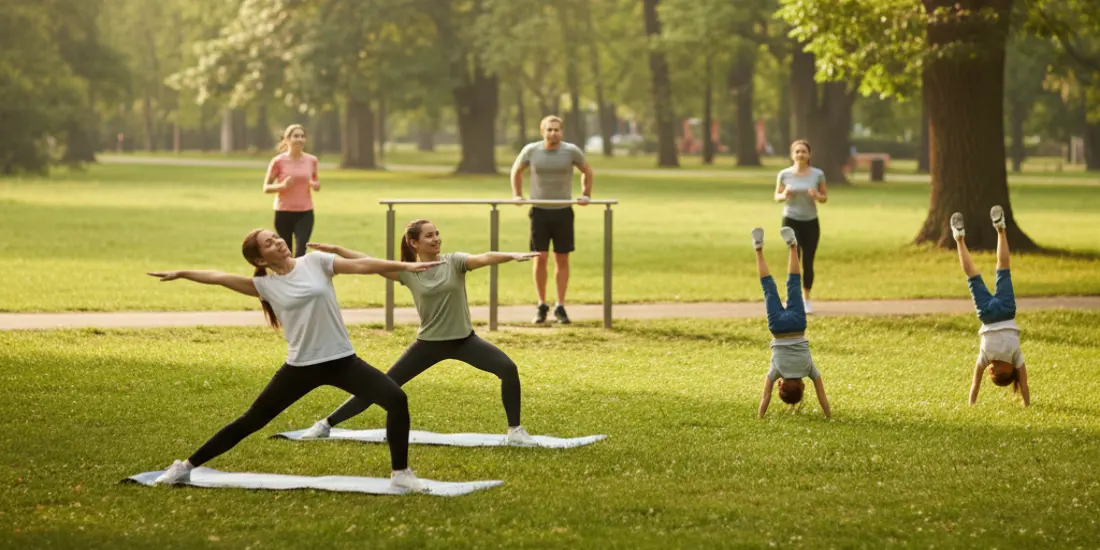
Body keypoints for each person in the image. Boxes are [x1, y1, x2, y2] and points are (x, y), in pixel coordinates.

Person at [146, 229, 442, 491]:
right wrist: (182, 272)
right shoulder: (264, 286)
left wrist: (405, 266)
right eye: (269, 243)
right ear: (261, 260)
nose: (278, 243)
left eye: (276, 237)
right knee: (253, 420)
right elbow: (219, 278)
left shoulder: (315, 263)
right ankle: (184, 467)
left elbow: (362, 265)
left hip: (342, 361)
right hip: (301, 367)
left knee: (396, 398)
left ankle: (400, 473)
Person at [299, 219, 541, 446]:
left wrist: (511, 255)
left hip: (464, 341)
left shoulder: (454, 262)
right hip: (428, 345)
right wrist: (337, 249)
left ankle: (515, 431)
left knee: (507, 368)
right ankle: (325, 424)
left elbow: (484, 258)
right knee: (380, 387)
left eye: (437, 234)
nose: (436, 239)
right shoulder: (407, 271)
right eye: (429, 236)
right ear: (414, 243)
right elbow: (367, 261)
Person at [510, 115, 595, 324]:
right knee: (540, 257)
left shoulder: (571, 151)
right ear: (542, 131)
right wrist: (517, 194)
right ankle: (541, 304)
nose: (553, 133)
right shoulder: (532, 150)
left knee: (562, 258)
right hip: (539, 211)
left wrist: (586, 194)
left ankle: (560, 305)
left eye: (556, 130)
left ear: (561, 132)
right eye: (549, 130)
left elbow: (587, 171)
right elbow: (516, 170)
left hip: (563, 210)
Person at [951, 206, 1031, 407]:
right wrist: (971, 404)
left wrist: (1027, 403)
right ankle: (959, 238)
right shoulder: (985, 358)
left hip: (1006, 311)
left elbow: (1025, 385)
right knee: (972, 275)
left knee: (1003, 269)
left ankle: (1000, 229)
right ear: (992, 372)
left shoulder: (1015, 358)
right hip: (986, 314)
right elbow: (974, 385)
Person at [753, 226, 832, 419]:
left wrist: (829, 415)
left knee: (794, 284)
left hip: (797, 325)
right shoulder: (776, 370)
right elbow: (765, 396)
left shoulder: (808, 369)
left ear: (803, 385)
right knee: (768, 288)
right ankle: (758, 247)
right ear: (780, 384)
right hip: (777, 328)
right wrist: (760, 415)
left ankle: (793, 246)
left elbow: (822, 395)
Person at [774, 140, 828, 314]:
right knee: (794, 259)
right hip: (791, 220)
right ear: (792, 155)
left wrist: (817, 195)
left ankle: (807, 299)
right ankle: (792, 297)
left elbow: (825, 197)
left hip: (811, 221)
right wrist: (784, 194)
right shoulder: (784, 174)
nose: (800, 155)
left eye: (804, 151)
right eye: (797, 152)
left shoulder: (818, 174)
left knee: (808, 261)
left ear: (809, 155)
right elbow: (777, 196)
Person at [263, 124, 320, 258]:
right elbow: (266, 188)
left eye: (302, 136)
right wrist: (282, 185)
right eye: (296, 136)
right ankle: (286, 278)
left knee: (301, 252)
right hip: (283, 212)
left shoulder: (312, 160)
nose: (300, 139)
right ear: (287, 139)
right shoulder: (278, 161)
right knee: (285, 252)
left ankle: (298, 278)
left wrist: (316, 185)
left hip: (305, 212)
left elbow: (315, 180)